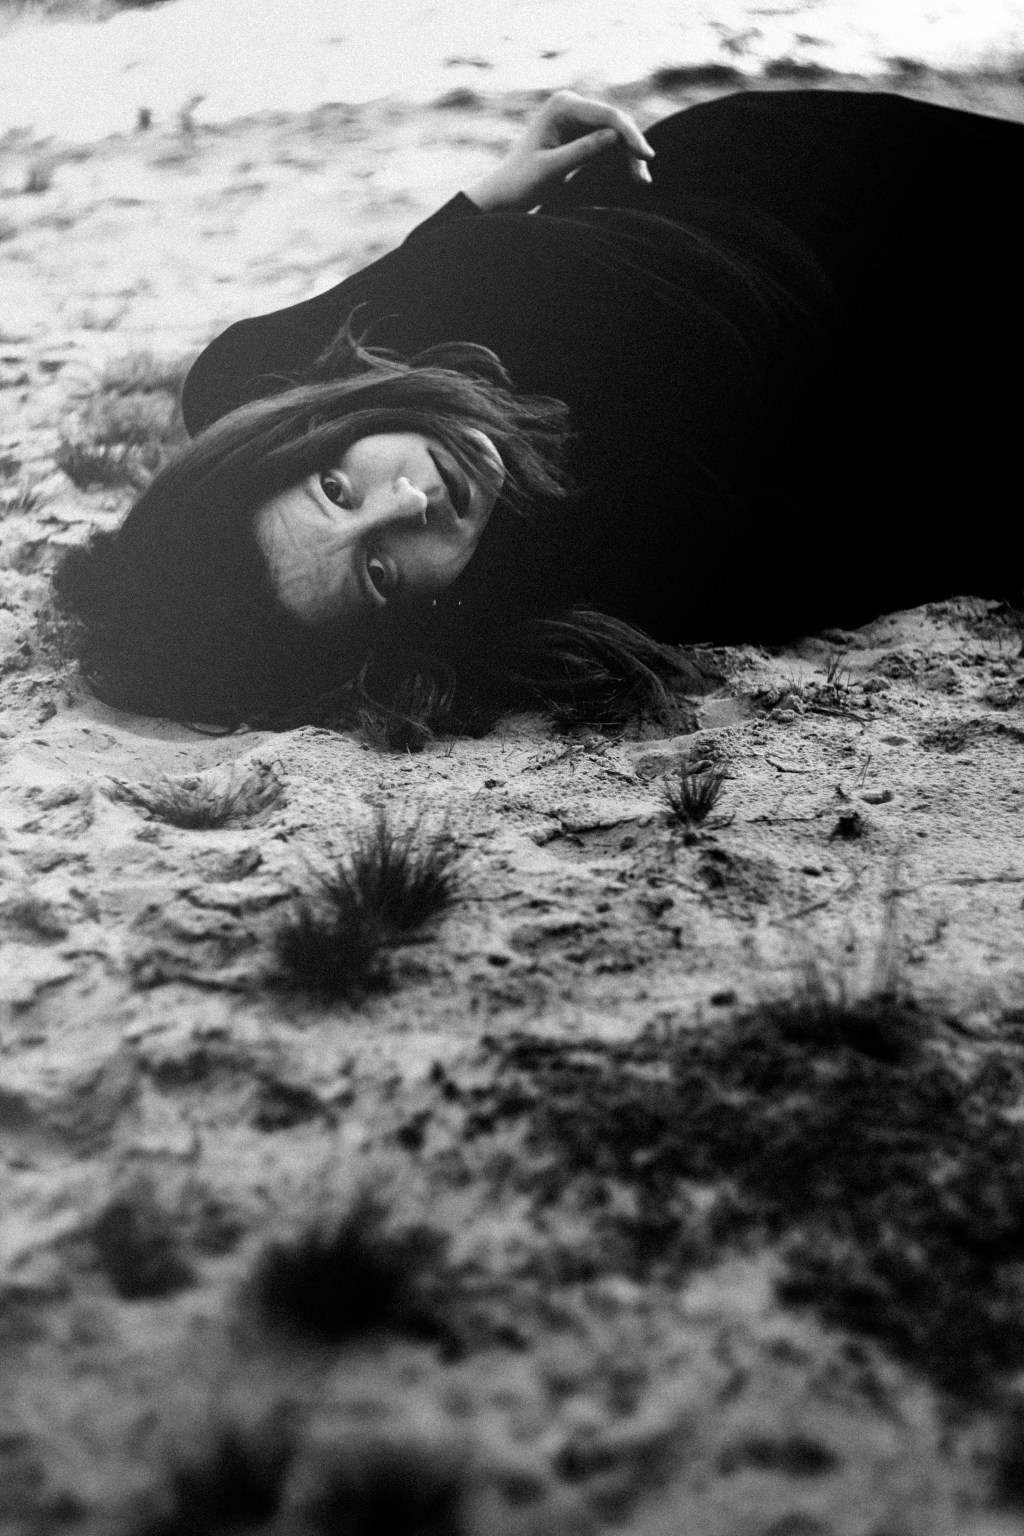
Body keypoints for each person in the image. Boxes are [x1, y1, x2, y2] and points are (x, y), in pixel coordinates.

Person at [54, 87, 1023, 744]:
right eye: (381, 572)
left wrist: (492, 189)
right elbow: (905, 528)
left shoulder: (246, 373)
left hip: (737, 150)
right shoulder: (629, 557)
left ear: (291, 437)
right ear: (412, 623)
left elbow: (417, 263)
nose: (409, 502)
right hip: (923, 288)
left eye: (335, 486)